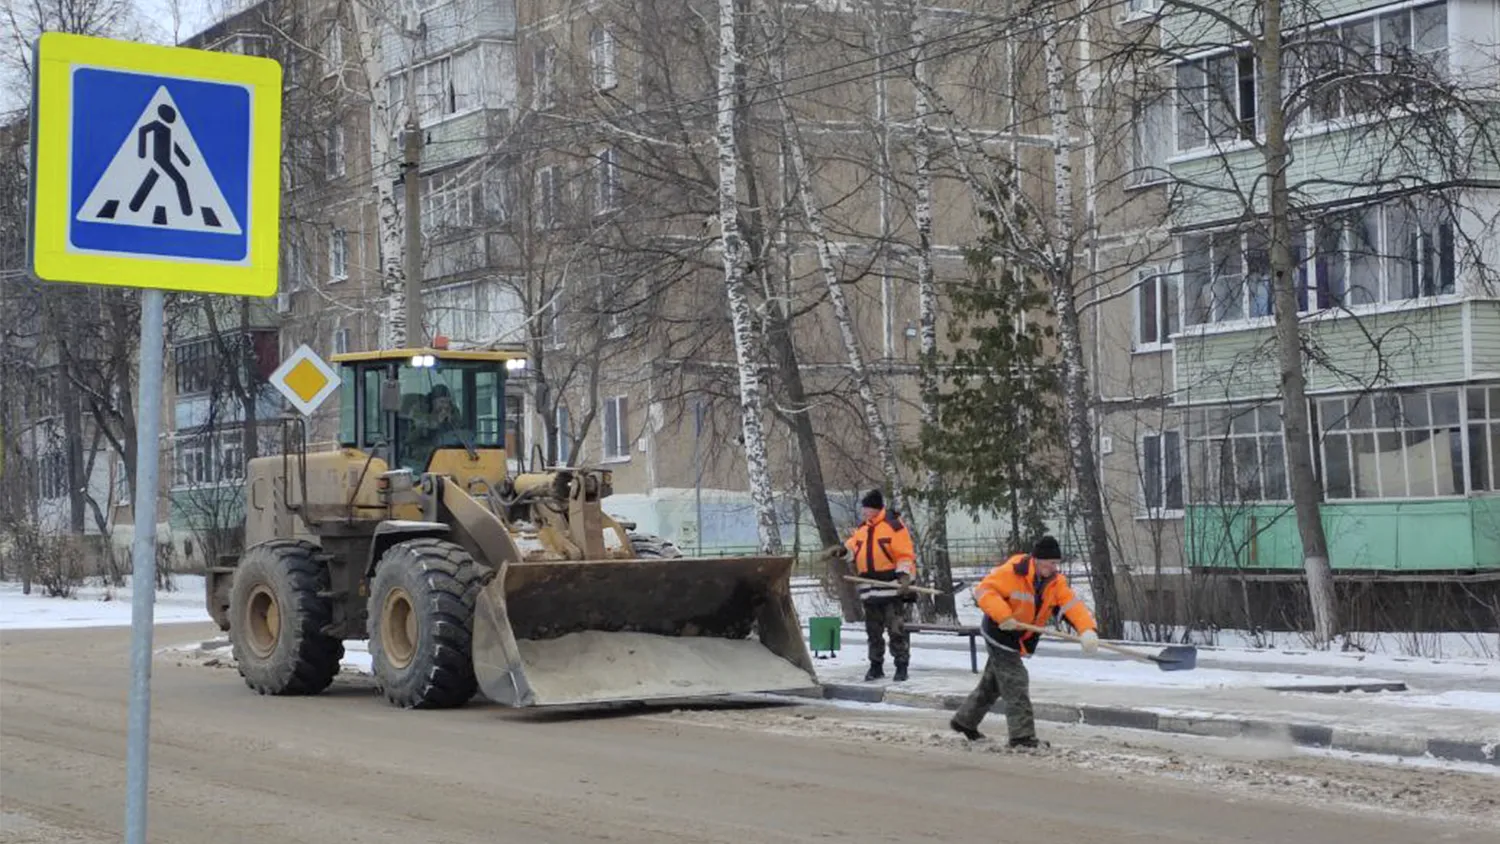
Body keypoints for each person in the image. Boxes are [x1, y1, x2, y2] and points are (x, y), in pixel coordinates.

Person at [949, 535, 1099, 749]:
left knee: (994, 684)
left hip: (1019, 636)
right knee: (1016, 679)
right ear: (1037, 559)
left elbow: (1072, 607)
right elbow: (984, 590)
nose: (1054, 567)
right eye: (1051, 562)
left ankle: (964, 721)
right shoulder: (1013, 571)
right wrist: (1003, 616)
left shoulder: (1056, 583)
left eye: (1057, 563)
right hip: (999, 633)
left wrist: (1087, 631)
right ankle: (1022, 737)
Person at [842, 489, 917, 682]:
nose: (864, 513)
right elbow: (852, 548)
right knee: (873, 631)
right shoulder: (862, 530)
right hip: (869, 589)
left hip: (890, 586)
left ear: (876, 509)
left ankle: (901, 666)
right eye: (864, 510)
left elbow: (904, 555)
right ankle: (876, 666)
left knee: (895, 630)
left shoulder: (894, 527)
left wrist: (905, 576)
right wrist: (841, 551)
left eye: (867, 509)